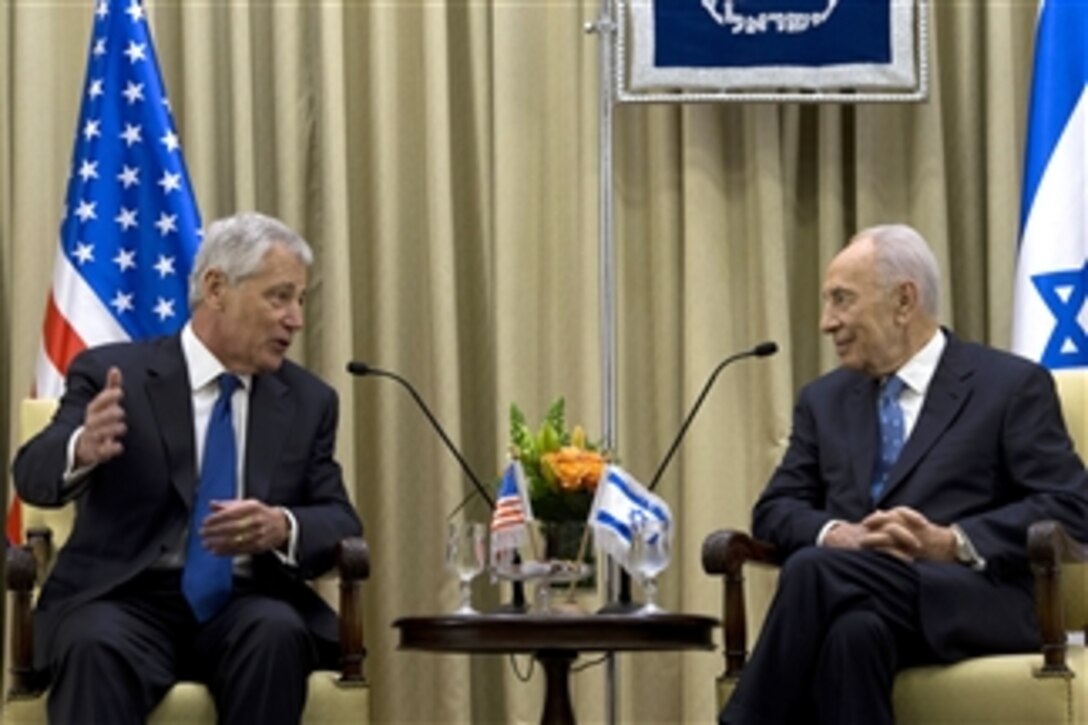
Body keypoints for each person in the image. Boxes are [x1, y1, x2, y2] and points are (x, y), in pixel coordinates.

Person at [719, 224, 1088, 725]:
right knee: (853, 634)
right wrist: (836, 533)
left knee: (811, 569)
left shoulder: (1009, 385)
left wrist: (952, 540)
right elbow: (774, 511)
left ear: (904, 300)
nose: (827, 322)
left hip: (976, 598)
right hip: (861, 592)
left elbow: (1071, 505)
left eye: (842, 301)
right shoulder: (824, 401)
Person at [12, 211, 363, 724]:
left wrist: (282, 526)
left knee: (276, 633)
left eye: (300, 300)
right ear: (217, 288)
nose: (296, 319)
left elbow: (340, 519)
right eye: (279, 296)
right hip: (123, 600)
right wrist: (81, 449)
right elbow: (32, 474)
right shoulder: (117, 375)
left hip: (245, 603)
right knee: (94, 644)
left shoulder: (309, 401)